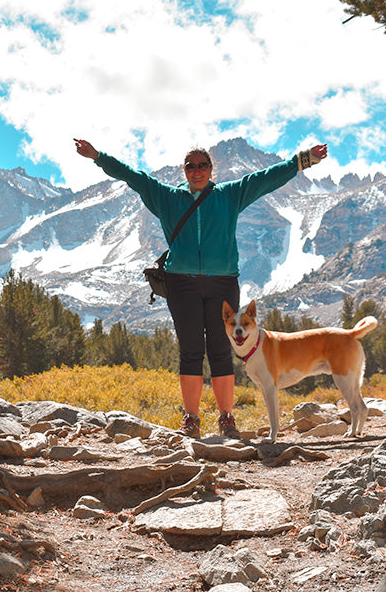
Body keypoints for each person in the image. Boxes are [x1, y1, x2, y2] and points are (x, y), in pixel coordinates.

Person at [74, 137, 328, 438]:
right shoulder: (166, 197)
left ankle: (226, 418)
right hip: (181, 284)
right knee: (191, 351)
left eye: (202, 165)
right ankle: (192, 419)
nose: (197, 171)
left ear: (211, 168)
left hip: (222, 283)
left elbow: (264, 179)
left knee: (222, 349)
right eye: (191, 166)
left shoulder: (229, 195)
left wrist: (302, 160)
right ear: (184, 171)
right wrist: (98, 156)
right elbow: (135, 177)